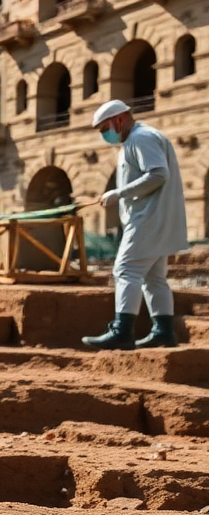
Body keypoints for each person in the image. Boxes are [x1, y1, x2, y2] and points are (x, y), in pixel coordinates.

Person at [82, 99, 188, 350]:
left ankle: (122, 331)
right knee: (154, 277)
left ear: (118, 120)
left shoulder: (140, 138)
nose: (104, 135)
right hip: (155, 218)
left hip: (147, 219)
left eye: (104, 129)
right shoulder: (142, 137)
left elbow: (158, 174)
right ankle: (163, 332)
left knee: (125, 270)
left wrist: (119, 193)